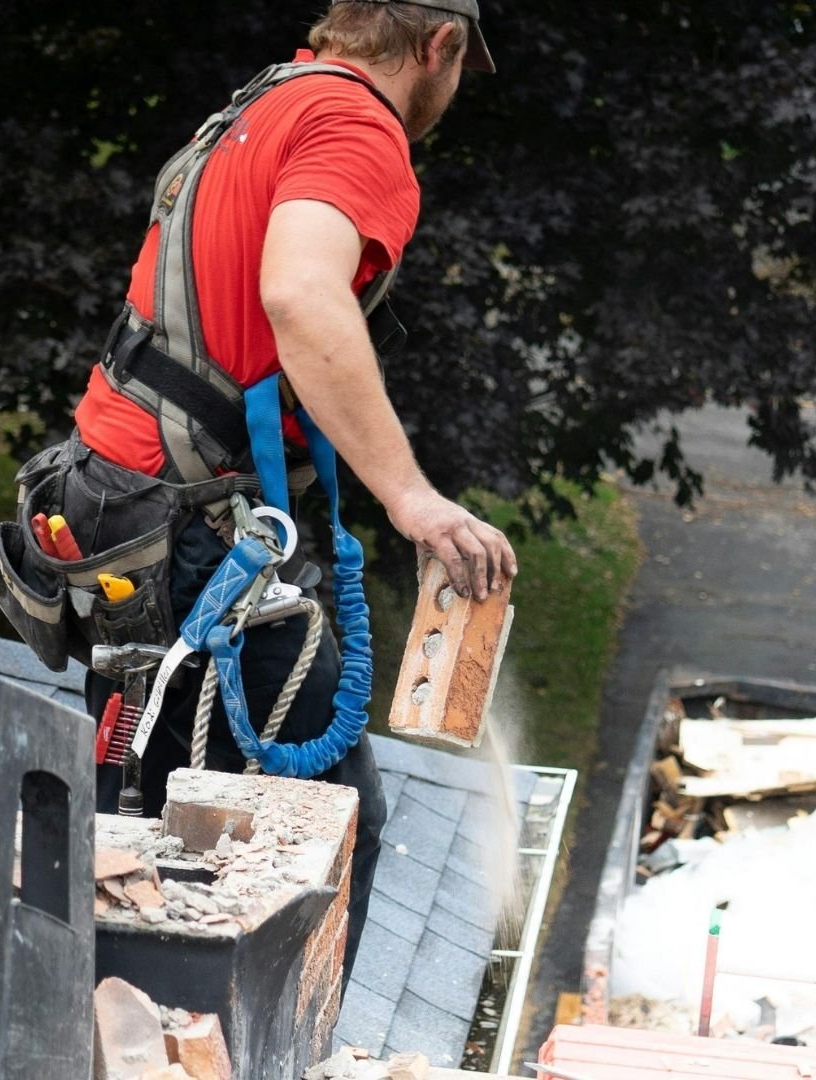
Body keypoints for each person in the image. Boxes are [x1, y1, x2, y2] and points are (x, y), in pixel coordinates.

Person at [55, 0, 515, 983]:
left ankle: (107, 1030)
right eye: (460, 68)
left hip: (113, 508)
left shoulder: (265, 102)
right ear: (439, 45)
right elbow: (301, 295)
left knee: (138, 801)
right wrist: (411, 497)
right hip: (185, 532)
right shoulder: (356, 128)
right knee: (324, 831)